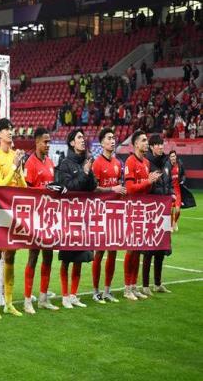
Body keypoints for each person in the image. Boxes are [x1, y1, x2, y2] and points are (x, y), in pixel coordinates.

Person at [0, 118, 27, 319]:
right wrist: (13, 167)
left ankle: (9, 303)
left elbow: (24, 187)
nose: (10, 132)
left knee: (11, 256)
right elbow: (0, 185)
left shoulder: (15, 155)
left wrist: (19, 170)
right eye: (6, 130)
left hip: (13, 212)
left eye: (11, 129)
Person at [56, 129, 97, 309]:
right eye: (79, 137)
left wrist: (89, 173)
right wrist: (84, 173)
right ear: (72, 143)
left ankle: (73, 294)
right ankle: (65, 295)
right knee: (67, 258)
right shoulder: (65, 164)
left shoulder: (86, 162)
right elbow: (68, 188)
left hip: (84, 216)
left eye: (83, 137)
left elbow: (92, 187)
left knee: (80, 257)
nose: (83, 139)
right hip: (69, 217)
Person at [23, 127, 59, 313]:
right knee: (33, 256)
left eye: (49, 141)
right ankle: (27, 300)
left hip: (49, 216)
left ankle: (43, 298)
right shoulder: (30, 163)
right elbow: (27, 192)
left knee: (48, 255)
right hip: (35, 216)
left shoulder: (50, 162)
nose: (48, 144)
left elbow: (51, 187)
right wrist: (45, 190)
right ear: (37, 142)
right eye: (45, 141)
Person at [123, 129, 162, 301]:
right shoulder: (130, 161)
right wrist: (148, 181)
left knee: (139, 250)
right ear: (136, 144)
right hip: (132, 210)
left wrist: (151, 181)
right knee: (131, 250)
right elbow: (130, 189)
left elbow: (146, 188)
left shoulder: (146, 162)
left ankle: (134, 286)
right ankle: (127, 288)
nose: (147, 143)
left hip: (143, 210)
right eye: (144, 140)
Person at [91, 128, 126, 304]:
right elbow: (94, 188)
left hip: (115, 212)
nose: (113, 141)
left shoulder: (118, 163)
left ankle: (107, 290)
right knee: (99, 252)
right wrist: (112, 189)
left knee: (113, 251)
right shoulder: (97, 163)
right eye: (109, 138)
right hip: (100, 212)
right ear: (102, 142)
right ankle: (95, 291)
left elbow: (120, 186)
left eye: (114, 138)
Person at [143, 134, 173, 295]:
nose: (161, 147)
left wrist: (171, 194)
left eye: (162, 144)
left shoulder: (167, 162)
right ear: (151, 147)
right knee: (149, 249)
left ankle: (158, 283)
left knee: (162, 248)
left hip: (165, 209)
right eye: (158, 144)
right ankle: (145, 285)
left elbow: (169, 183)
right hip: (151, 210)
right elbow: (144, 186)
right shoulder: (147, 163)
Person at [169, 150, 184, 231]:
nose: (173, 158)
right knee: (171, 210)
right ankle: (171, 226)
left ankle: (175, 222)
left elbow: (183, 174)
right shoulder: (167, 167)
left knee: (177, 210)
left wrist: (183, 180)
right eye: (171, 156)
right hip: (170, 191)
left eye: (174, 156)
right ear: (169, 158)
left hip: (178, 191)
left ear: (176, 156)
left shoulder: (179, 164)